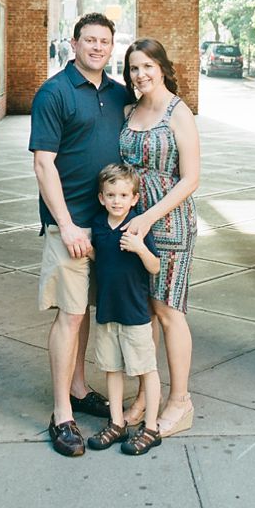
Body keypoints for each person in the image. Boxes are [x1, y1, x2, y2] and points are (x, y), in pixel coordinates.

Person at [31, 12, 133, 457]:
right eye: (89, 40)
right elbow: (43, 164)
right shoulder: (54, 92)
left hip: (107, 227)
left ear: (112, 47)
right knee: (69, 316)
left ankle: (77, 387)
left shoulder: (118, 93)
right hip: (69, 226)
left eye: (104, 41)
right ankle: (61, 414)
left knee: (87, 311)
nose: (97, 47)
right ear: (73, 44)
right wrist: (68, 224)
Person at [118, 37, 201, 437]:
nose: (141, 74)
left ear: (163, 68)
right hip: (132, 223)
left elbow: (191, 178)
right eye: (134, 68)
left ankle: (180, 401)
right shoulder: (129, 109)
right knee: (143, 312)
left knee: (169, 311)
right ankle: (143, 396)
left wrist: (150, 216)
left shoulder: (178, 113)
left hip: (168, 222)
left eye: (148, 66)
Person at [83, 164, 162, 455]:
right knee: (112, 368)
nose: (117, 200)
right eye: (111, 195)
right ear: (102, 198)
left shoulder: (137, 227)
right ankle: (117, 422)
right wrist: (85, 248)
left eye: (123, 195)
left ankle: (151, 427)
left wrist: (140, 248)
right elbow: (98, 257)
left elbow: (154, 266)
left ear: (134, 198)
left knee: (146, 369)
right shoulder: (99, 225)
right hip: (107, 311)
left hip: (135, 313)